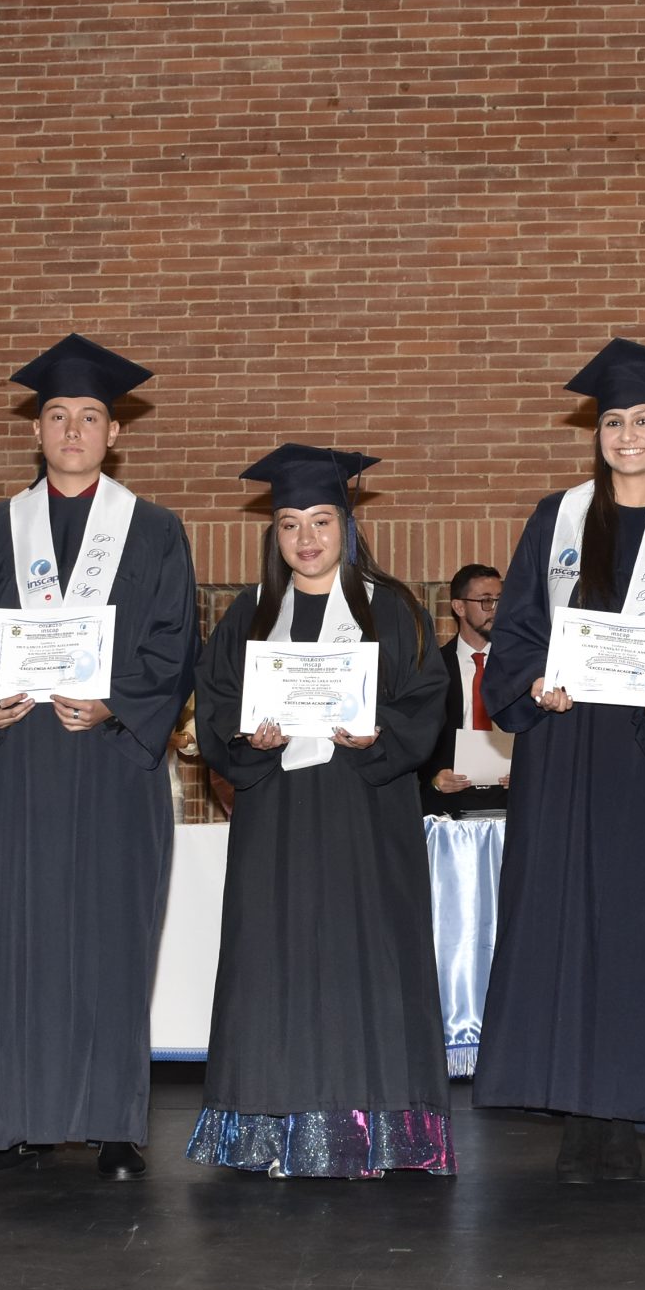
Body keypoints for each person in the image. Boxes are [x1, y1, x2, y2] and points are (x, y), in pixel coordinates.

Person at [0, 335, 198, 1181]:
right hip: (17, 765)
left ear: (113, 431)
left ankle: (115, 1127)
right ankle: (17, 1125)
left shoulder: (154, 531)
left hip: (112, 762)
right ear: (38, 431)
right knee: (17, 939)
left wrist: (119, 703)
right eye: (58, 416)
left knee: (113, 938)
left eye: (90, 417)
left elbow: (173, 643)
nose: (74, 431)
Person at [473, 340, 645, 1180]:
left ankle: (620, 1109)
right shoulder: (556, 517)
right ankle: (563, 1098)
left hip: (639, 756)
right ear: (599, 433)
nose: (628, 435)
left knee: (630, 927)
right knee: (553, 916)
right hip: (560, 744)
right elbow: (513, 631)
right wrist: (534, 683)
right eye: (614, 421)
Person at [189, 446, 453, 1177]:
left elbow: (427, 704)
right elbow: (214, 710)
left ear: (346, 526)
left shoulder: (389, 608)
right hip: (277, 815)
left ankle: (372, 1131)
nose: (306, 539)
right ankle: (269, 1133)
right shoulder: (250, 616)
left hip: (365, 814)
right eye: (289, 524)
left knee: (365, 957)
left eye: (321, 520)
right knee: (273, 960)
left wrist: (381, 734)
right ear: (273, 536)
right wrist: (248, 735)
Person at [422, 563, 509, 817]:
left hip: (512, 804)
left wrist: (526, 772)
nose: (494, 610)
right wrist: (435, 779)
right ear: (459, 607)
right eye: (485, 601)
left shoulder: (519, 667)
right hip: (450, 809)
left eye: (499, 600)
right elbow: (417, 736)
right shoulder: (432, 669)